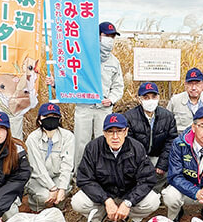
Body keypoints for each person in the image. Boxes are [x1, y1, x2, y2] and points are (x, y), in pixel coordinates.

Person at [71, 113, 160, 222]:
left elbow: (147, 179)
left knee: (153, 201)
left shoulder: (137, 148)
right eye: (110, 131)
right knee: (77, 202)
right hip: (104, 196)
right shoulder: (93, 148)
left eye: (119, 131)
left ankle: (130, 218)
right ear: (104, 133)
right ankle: (98, 218)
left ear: (126, 132)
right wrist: (106, 200)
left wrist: (129, 202)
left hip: (127, 195)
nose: (115, 136)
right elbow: (85, 179)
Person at [65, 21, 125, 169]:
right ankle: (78, 176)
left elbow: (118, 86)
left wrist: (111, 99)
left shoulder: (114, 62)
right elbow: (69, 78)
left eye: (112, 37)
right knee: (81, 142)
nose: (109, 40)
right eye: (106, 35)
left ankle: (101, 174)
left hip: (103, 109)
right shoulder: (82, 57)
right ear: (97, 36)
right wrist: (55, 83)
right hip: (84, 106)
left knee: (104, 142)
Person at [124, 82, 178, 191]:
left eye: (154, 97)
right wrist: (143, 163)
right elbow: (128, 144)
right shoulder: (129, 117)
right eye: (146, 97)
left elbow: (171, 141)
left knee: (171, 168)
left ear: (158, 97)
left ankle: (154, 191)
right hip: (138, 159)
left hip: (158, 157)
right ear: (139, 99)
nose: (150, 100)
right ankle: (139, 191)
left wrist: (162, 164)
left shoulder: (168, 116)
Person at [24, 102, 75, 212]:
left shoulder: (68, 136)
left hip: (57, 176)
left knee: (61, 193)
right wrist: (52, 188)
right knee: (45, 197)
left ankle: (60, 209)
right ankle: (36, 209)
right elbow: (37, 169)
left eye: (54, 116)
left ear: (60, 119)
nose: (51, 119)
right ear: (39, 119)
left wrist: (61, 188)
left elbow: (67, 165)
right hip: (37, 179)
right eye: (46, 117)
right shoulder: (33, 138)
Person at [166, 68, 203, 133]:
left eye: (197, 84)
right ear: (185, 84)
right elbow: (167, 122)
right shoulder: (175, 101)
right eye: (190, 84)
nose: (193, 88)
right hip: (181, 139)